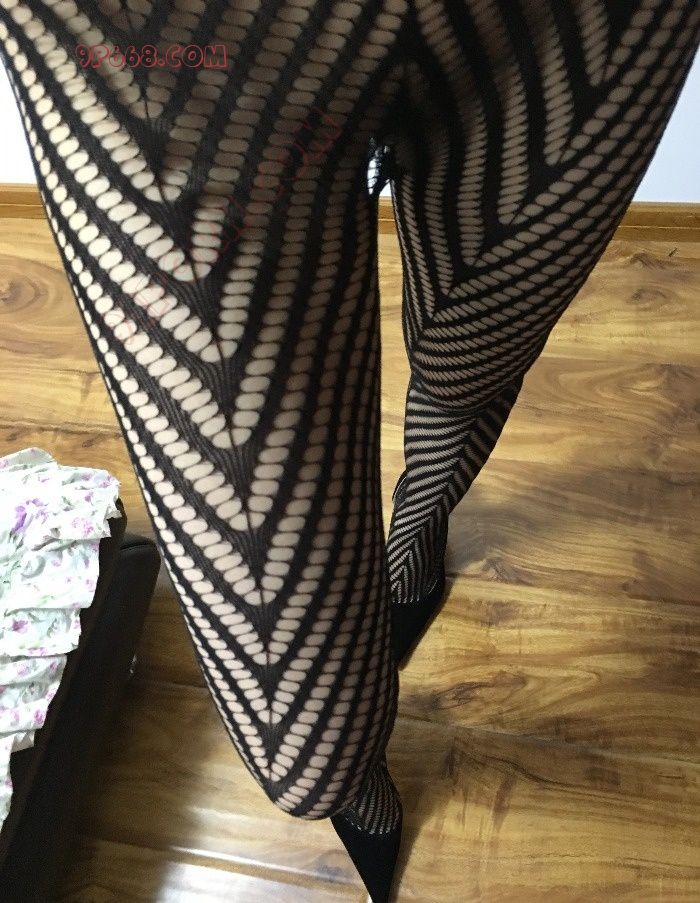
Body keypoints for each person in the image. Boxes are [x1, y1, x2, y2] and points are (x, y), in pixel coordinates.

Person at [1, 2, 697, 899]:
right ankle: (356, 781)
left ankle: (417, 547)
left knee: (468, 360)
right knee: (302, 751)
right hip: (160, 43)